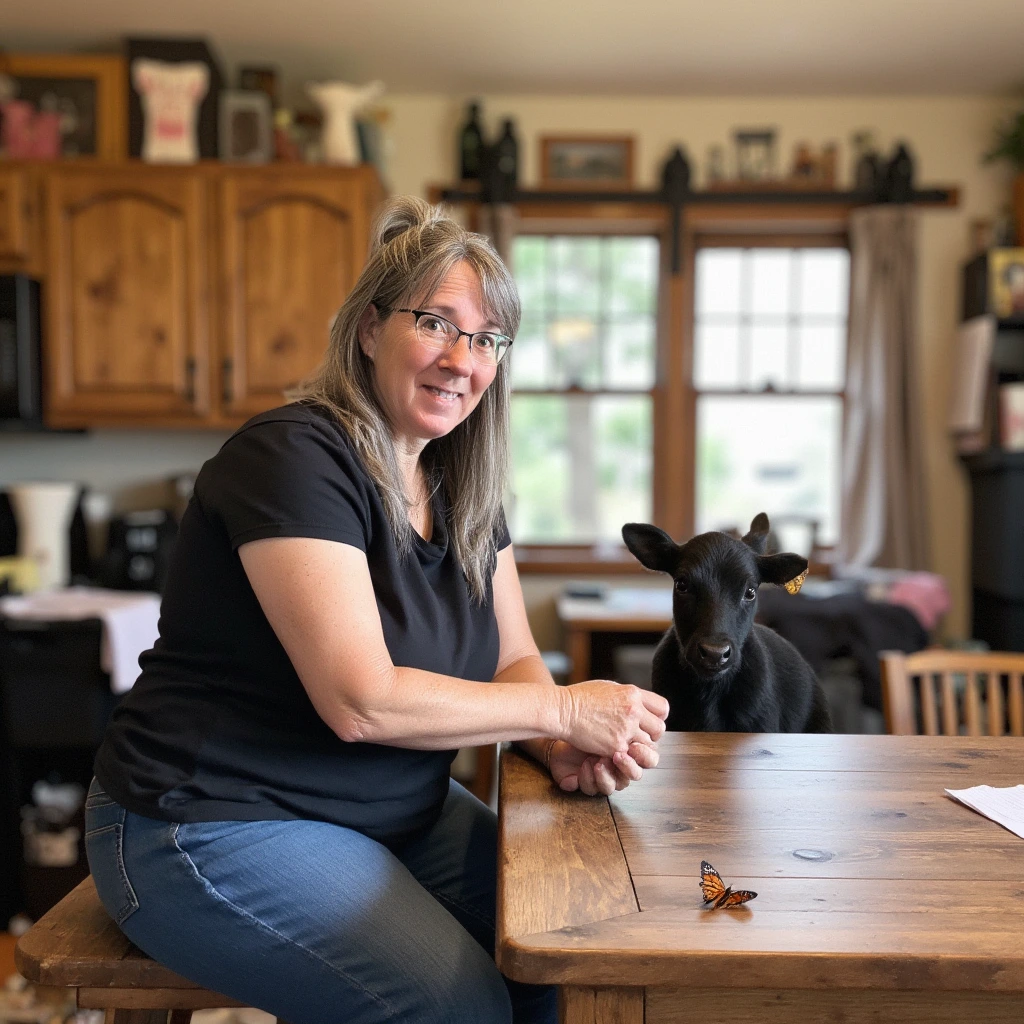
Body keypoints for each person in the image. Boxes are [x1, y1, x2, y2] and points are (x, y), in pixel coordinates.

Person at [85, 196, 669, 1024]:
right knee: (458, 1007)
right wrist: (566, 711)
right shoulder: (293, 457)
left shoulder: (464, 489)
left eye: (487, 339)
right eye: (436, 323)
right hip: (207, 822)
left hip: (393, 812)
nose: (462, 359)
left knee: (572, 950)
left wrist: (554, 741)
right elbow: (360, 701)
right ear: (368, 329)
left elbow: (513, 658)